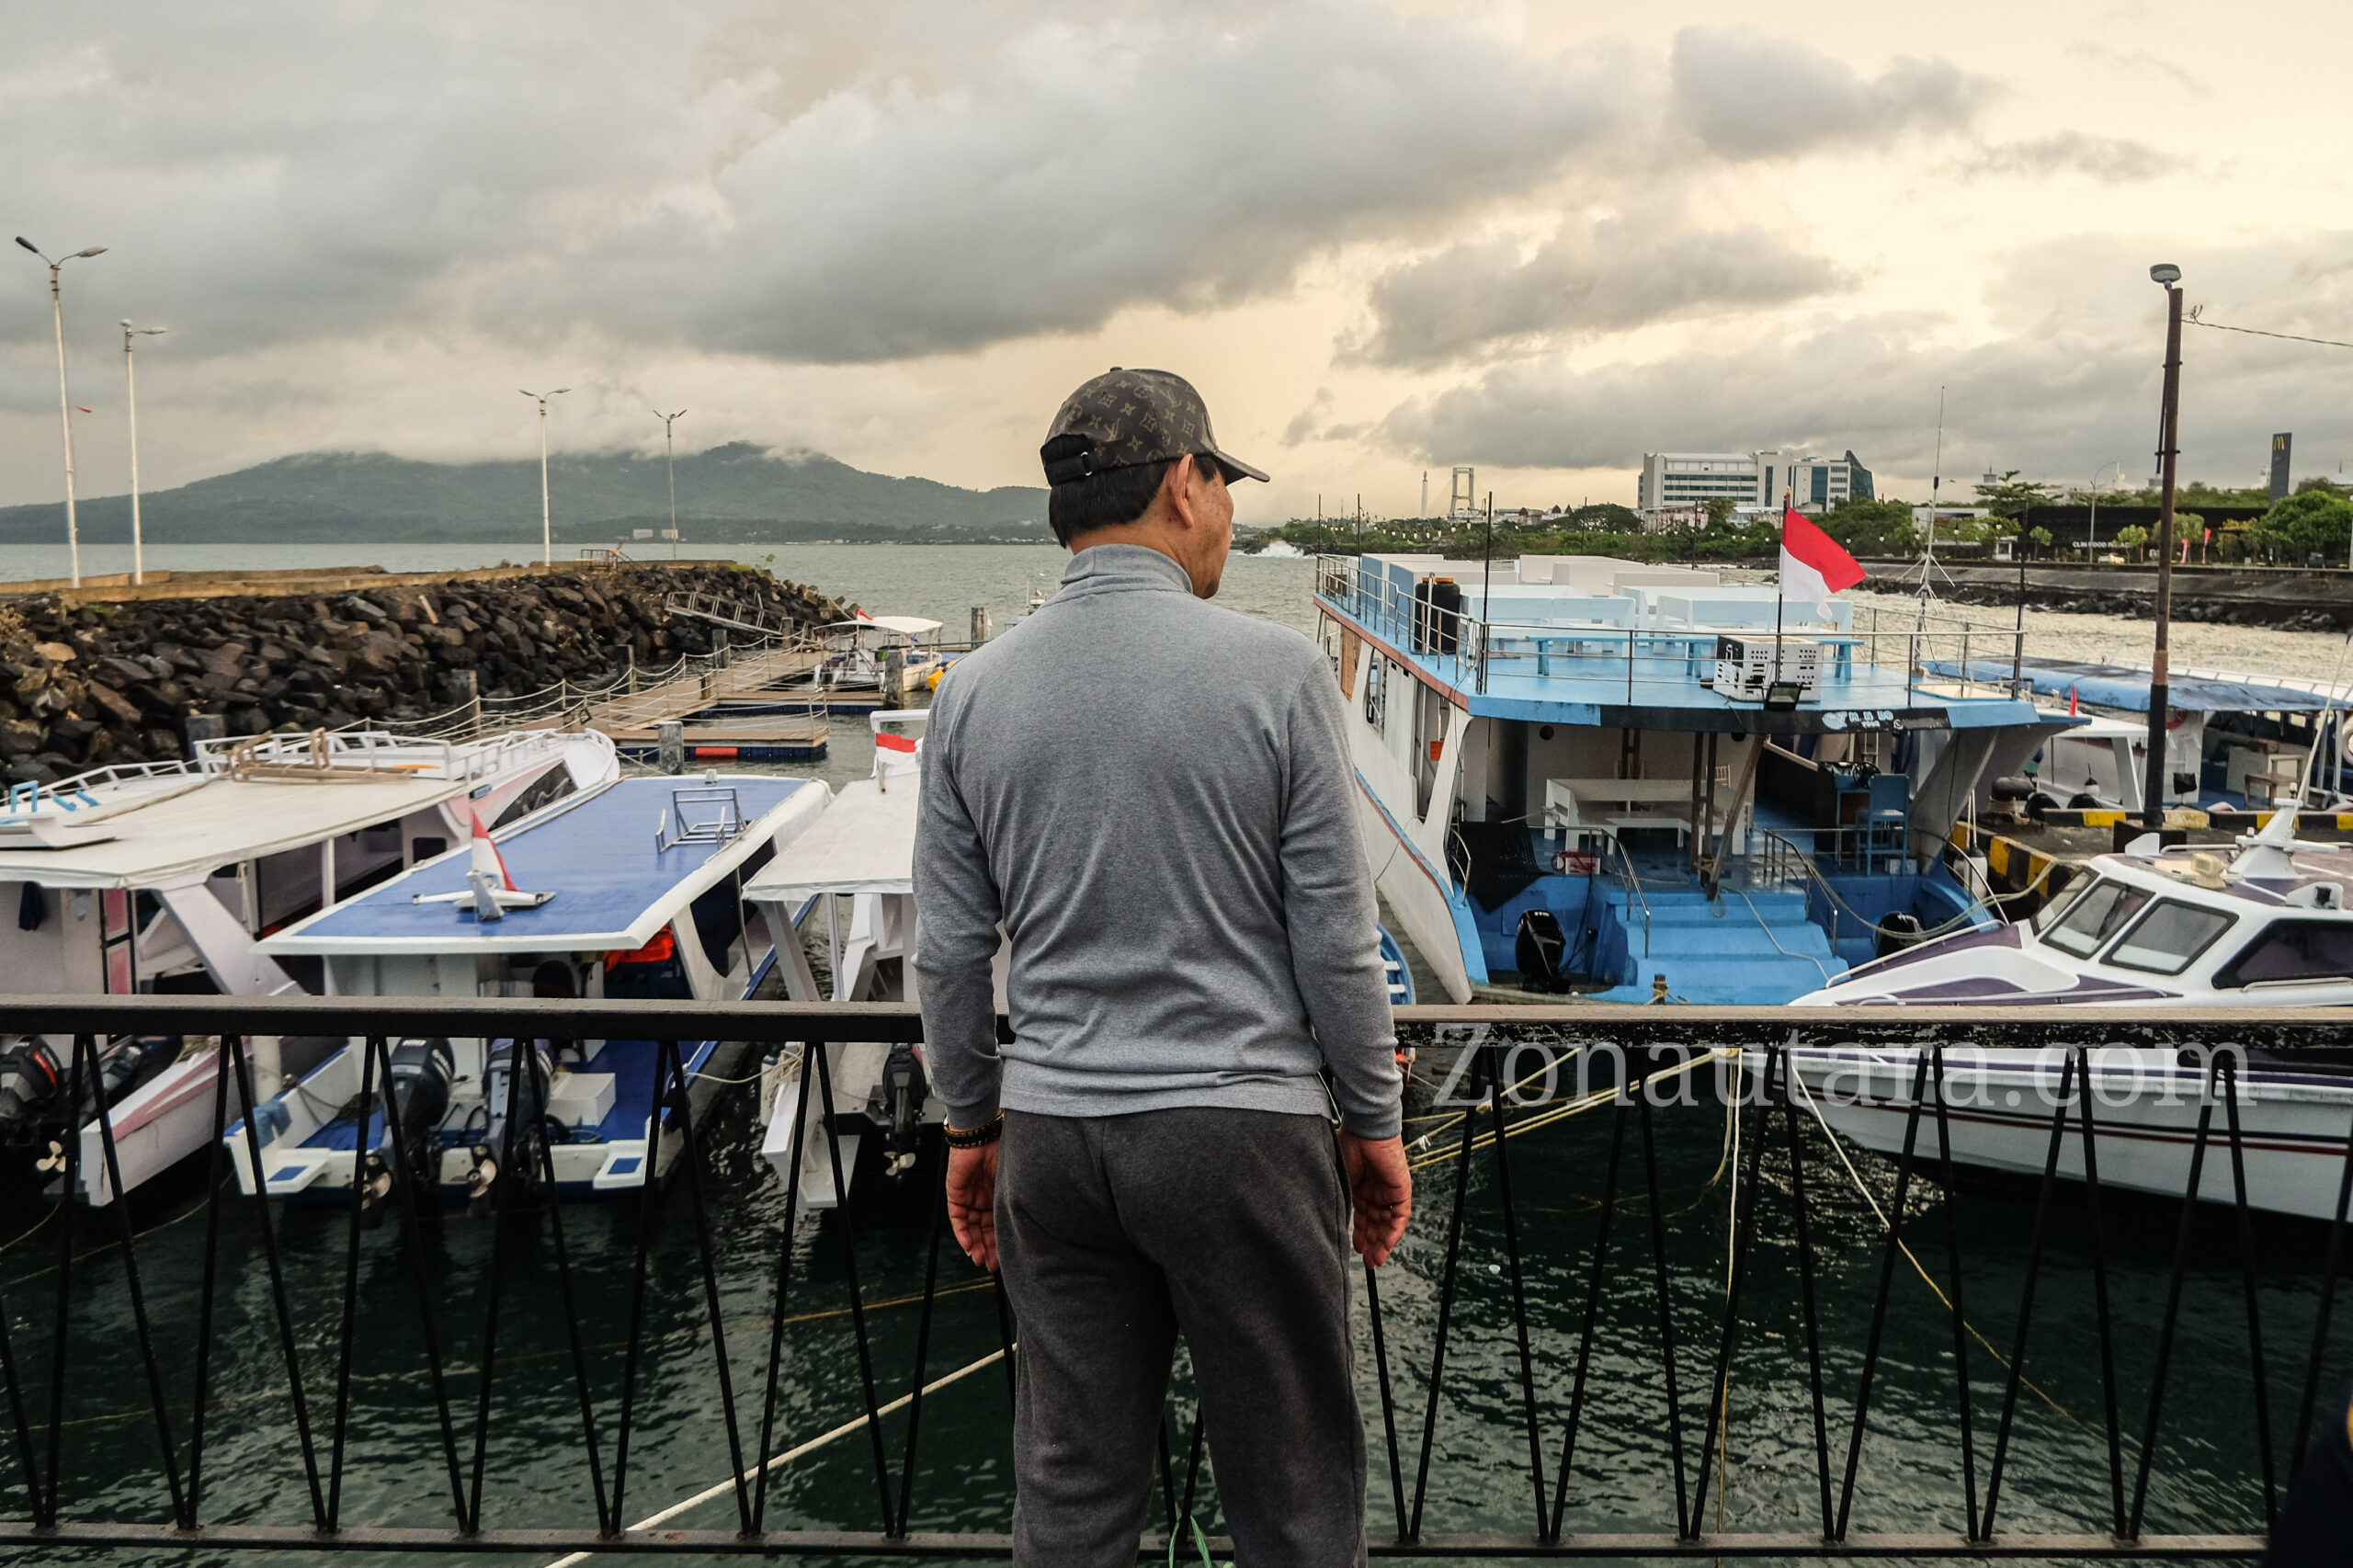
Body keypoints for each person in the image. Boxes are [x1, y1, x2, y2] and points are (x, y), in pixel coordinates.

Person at [913, 367, 1410, 1568]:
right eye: (1225, 484)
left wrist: (971, 1123)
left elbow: (952, 951)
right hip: (1241, 1129)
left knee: (1074, 1498)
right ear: (1185, 484)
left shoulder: (971, 694)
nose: (1231, 513)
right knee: (1292, 1502)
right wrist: (1372, 1120)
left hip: (1056, 1136)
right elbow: (1336, 939)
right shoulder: (1279, 674)